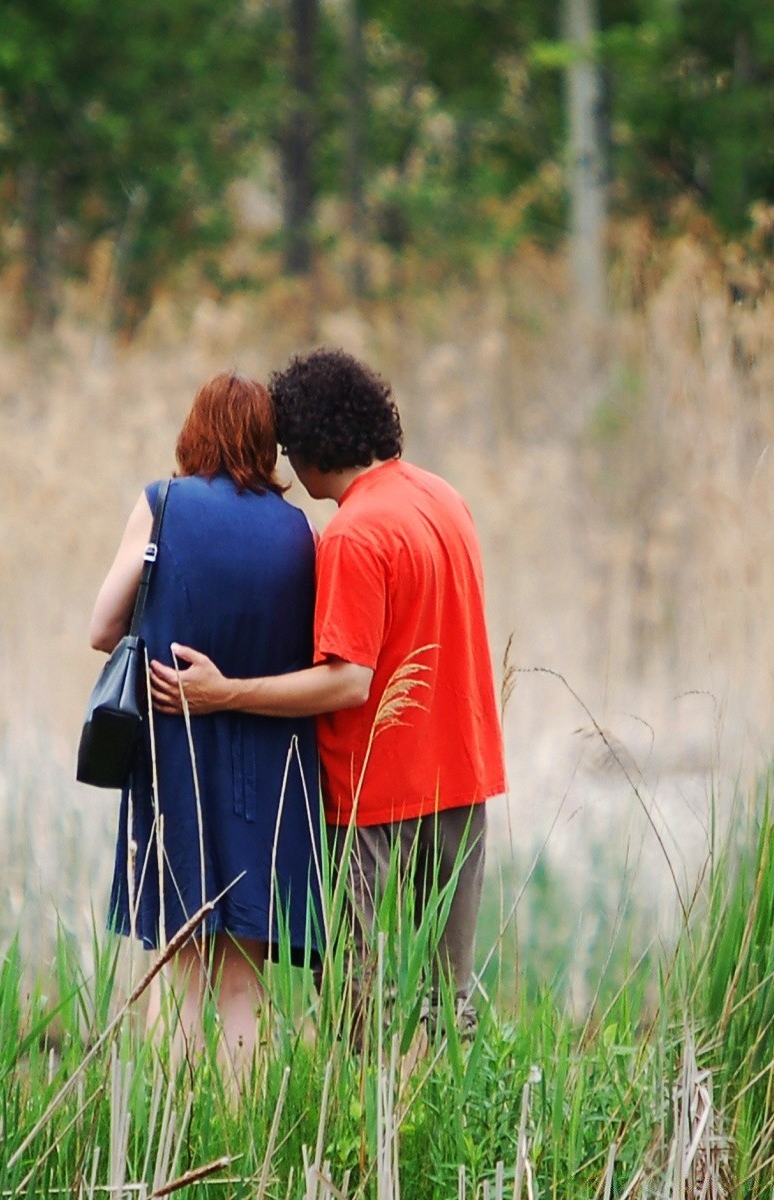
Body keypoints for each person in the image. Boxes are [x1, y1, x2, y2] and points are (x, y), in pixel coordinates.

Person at [149, 348, 506, 1040]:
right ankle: (445, 1128)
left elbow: (349, 679)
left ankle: (363, 1137)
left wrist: (225, 693)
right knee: (448, 1002)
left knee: (357, 1006)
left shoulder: (352, 533)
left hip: (377, 800)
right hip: (463, 781)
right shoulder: (444, 499)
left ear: (310, 449)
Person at [88, 371, 325, 1076]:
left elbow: (102, 628)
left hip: (176, 756)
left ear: (194, 431)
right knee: (243, 975)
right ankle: (242, 1140)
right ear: (267, 442)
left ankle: (175, 1139)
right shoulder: (301, 531)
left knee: (177, 958)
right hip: (272, 772)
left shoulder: (164, 505)